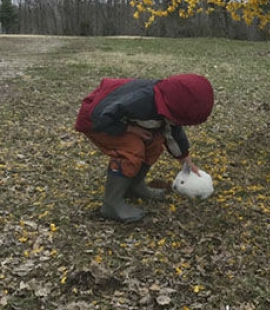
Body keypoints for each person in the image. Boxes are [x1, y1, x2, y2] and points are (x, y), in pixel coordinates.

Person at [74, 73, 214, 222]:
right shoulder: (140, 101)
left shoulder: (168, 106)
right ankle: (111, 204)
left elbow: (172, 133)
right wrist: (130, 129)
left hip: (123, 121)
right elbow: (103, 116)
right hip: (98, 121)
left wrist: (187, 163)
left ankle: (135, 186)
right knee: (132, 150)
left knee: (154, 143)